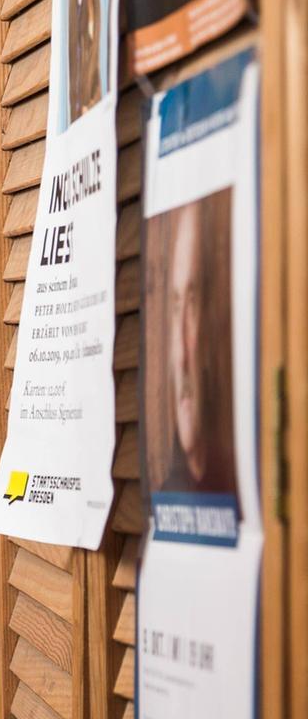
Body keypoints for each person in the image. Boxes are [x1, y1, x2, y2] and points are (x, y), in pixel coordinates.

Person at [151, 198, 237, 496]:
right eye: (176, 307)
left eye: (194, 302)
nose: (181, 355)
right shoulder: (164, 499)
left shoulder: (243, 490)